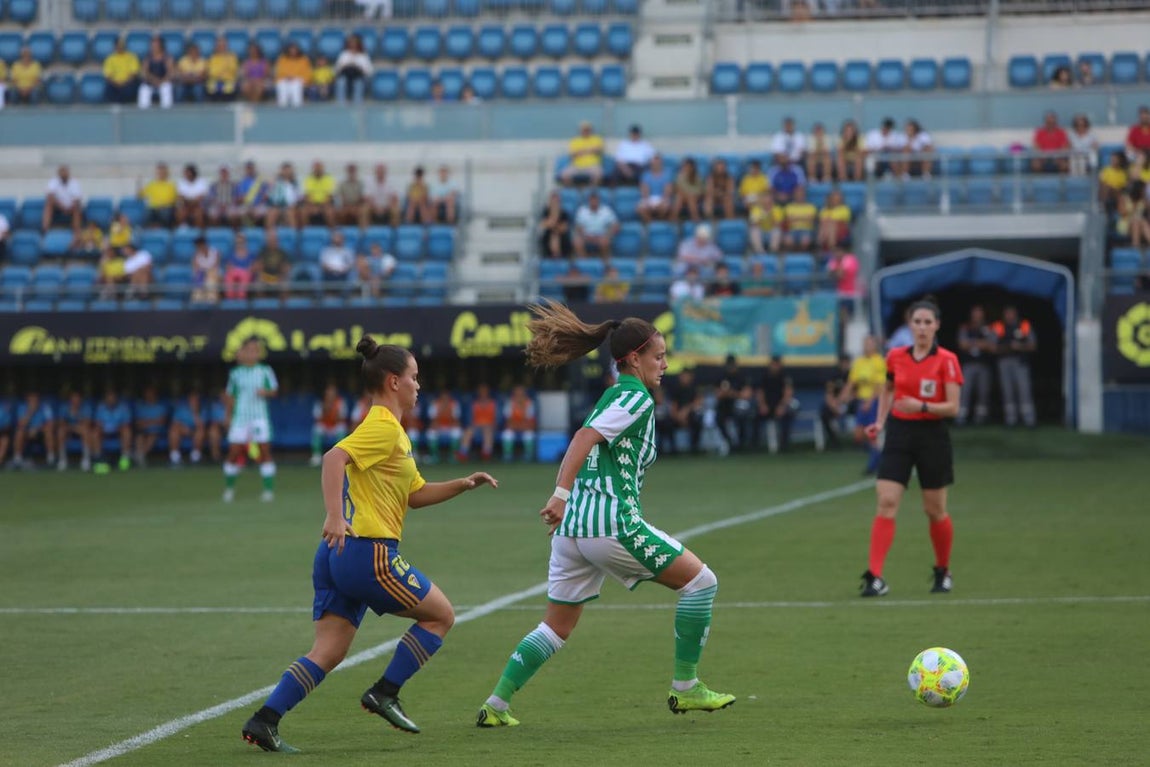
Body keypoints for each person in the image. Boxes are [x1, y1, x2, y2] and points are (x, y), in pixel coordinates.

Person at [475, 302, 734, 728]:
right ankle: (686, 687)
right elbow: (582, 438)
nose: (665, 365)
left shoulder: (611, 396)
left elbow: (589, 446)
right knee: (702, 584)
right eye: (658, 356)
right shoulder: (635, 397)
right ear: (633, 358)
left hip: (574, 529)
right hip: (610, 524)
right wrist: (559, 494)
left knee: (556, 627)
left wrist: (568, 502)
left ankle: (496, 705)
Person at [241, 337, 499, 752]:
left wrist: (463, 484)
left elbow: (415, 494)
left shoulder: (391, 431)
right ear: (394, 381)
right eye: (414, 377)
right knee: (441, 616)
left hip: (337, 555)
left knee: (328, 651)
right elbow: (333, 458)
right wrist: (333, 515)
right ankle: (385, 692)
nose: (419, 385)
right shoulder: (383, 427)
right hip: (368, 553)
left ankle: (264, 720)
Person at [860, 299, 963, 598]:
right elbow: (888, 389)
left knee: (934, 509)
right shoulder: (895, 356)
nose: (922, 327)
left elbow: (953, 407)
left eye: (927, 322)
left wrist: (922, 406)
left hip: (933, 435)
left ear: (937, 325)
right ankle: (874, 577)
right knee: (887, 500)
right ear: (910, 325)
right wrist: (880, 422)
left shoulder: (947, 360)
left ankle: (943, 570)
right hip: (900, 433)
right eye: (917, 322)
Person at [222, 337, 279, 503]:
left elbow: (274, 390)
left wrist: (265, 392)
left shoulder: (265, 370)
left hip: (260, 417)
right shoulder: (235, 373)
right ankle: (229, 489)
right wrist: (227, 416)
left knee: (264, 451)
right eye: (251, 350)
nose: (254, 353)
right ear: (244, 352)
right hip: (240, 418)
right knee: (233, 452)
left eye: (256, 350)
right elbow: (230, 396)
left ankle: (268, 490)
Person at [839, 335, 886, 475]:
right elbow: (851, 382)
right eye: (865, 343)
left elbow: (880, 386)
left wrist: (870, 402)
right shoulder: (859, 362)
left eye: (869, 344)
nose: (866, 346)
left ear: (875, 346)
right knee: (859, 434)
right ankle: (879, 454)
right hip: (861, 400)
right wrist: (843, 396)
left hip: (875, 401)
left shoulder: (879, 362)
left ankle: (873, 464)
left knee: (871, 434)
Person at [992, 306, 1037, 428]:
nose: (1009, 316)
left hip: (1020, 362)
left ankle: (1029, 420)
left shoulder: (1024, 325)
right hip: (1004, 361)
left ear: (1016, 314)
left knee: (1024, 390)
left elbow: (1033, 345)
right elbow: (992, 346)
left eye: (1011, 313)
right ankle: (1010, 419)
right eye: (1007, 313)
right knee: (1007, 391)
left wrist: (1019, 346)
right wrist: (1007, 347)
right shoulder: (999, 326)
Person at [955, 306, 996, 426]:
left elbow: (992, 346)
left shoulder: (989, 328)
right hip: (968, 365)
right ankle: (961, 417)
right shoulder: (965, 327)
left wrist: (973, 343)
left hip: (984, 365)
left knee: (983, 392)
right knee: (965, 391)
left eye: (979, 313)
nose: (977, 316)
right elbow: (962, 344)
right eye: (975, 313)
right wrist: (982, 343)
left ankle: (980, 418)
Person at [756, 356, 795, 453]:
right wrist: (762, 405)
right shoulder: (764, 376)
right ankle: (755, 445)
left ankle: (784, 445)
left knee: (787, 416)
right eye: (773, 364)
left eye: (777, 364)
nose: (775, 367)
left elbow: (788, 392)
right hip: (767, 405)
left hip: (780, 405)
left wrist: (782, 406)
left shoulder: (785, 377)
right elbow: (760, 392)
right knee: (754, 417)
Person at [11, 392, 56, 469]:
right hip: (26, 432)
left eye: (35, 399)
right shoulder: (22, 407)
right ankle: (17, 460)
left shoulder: (45, 407)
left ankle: (51, 460)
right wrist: (30, 412)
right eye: (31, 399)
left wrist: (37, 429)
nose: (33, 401)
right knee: (19, 432)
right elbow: (21, 424)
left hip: (40, 432)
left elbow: (50, 424)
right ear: (27, 400)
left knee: (48, 431)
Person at [92, 390, 133, 474]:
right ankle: (98, 458)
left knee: (126, 430)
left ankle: (125, 458)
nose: (111, 400)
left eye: (113, 398)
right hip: (104, 431)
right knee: (95, 432)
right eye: (109, 399)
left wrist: (115, 427)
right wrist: (104, 428)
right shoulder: (101, 407)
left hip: (118, 430)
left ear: (116, 399)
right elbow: (98, 423)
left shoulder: (123, 407)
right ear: (106, 399)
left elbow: (126, 423)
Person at [310, 384, 348, 467]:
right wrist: (325, 410)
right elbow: (317, 419)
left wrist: (334, 412)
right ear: (325, 394)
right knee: (317, 428)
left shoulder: (341, 402)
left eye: (332, 394)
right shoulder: (320, 403)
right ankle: (316, 456)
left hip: (335, 426)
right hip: (325, 426)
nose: (330, 396)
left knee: (342, 428)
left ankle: (339, 456)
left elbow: (343, 418)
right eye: (329, 394)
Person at [56, 390, 93, 472]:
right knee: (61, 431)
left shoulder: (86, 407)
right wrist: (71, 427)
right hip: (69, 429)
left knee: (86, 431)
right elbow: (61, 422)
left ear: (80, 399)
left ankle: (86, 460)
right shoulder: (64, 407)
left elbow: (87, 423)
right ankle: (62, 460)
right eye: (73, 398)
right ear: (70, 399)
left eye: (77, 398)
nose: (75, 400)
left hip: (80, 429)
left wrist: (77, 415)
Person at [559, 120, 604, 186]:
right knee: (564, 174)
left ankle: (592, 191)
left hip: (592, 165)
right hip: (577, 166)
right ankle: (571, 190)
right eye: (584, 130)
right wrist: (589, 150)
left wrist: (582, 151)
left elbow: (599, 150)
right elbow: (572, 155)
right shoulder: (575, 140)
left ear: (591, 130)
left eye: (587, 129)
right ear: (580, 130)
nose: (586, 131)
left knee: (598, 174)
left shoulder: (597, 139)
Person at [459, 383, 497, 462]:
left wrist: (492, 425)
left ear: (487, 392)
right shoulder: (474, 403)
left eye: (485, 391)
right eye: (481, 391)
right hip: (476, 426)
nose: (483, 393)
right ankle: (463, 453)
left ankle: (486, 453)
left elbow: (497, 419)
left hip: (489, 426)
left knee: (487, 430)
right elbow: (469, 419)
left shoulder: (493, 403)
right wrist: (475, 425)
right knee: (468, 431)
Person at [132, 385, 169, 466]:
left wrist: (147, 422)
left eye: (151, 393)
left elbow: (162, 421)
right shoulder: (141, 407)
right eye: (147, 394)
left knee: (152, 435)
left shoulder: (160, 407)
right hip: (143, 430)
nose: (149, 395)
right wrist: (153, 421)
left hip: (157, 431)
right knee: (139, 436)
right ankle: (140, 456)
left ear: (155, 394)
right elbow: (138, 422)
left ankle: (139, 455)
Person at [669, 368, 703, 454]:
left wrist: (686, 411)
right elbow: (673, 406)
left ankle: (694, 448)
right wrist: (678, 417)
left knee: (697, 420)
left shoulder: (694, 388)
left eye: (687, 376)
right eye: (683, 376)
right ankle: (673, 449)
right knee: (667, 423)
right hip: (678, 416)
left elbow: (697, 403)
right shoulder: (675, 388)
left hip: (690, 415)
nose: (684, 378)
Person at [169, 390, 206, 466]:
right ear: (188, 400)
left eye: (196, 400)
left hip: (197, 431)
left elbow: (202, 425)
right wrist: (185, 428)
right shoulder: (181, 409)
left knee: (200, 431)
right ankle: (175, 457)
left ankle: (195, 457)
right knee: (174, 430)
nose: (194, 401)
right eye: (192, 399)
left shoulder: (203, 410)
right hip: (183, 430)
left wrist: (195, 412)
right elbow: (175, 423)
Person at [425, 390, 463, 464]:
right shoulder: (435, 404)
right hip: (439, 427)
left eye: (446, 398)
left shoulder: (454, 404)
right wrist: (438, 427)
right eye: (443, 398)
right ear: (440, 398)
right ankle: (434, 456)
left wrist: (450, 424)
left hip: (450, 427)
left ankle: (453, 455)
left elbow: (456, 421)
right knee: (431, 433)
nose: (445, 400)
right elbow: (433, 421)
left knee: (456, 431)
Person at [137, 36, 174, 109]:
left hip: (164, 81)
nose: (154, 47)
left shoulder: (167, 57)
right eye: (153, 45)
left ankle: (166, 110)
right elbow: (144, 72)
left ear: (161, 46)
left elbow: (170, 72)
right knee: (144, 88)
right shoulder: (147, 58)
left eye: (156, 45)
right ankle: (143, 110)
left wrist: (162, 81)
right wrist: (153, 80)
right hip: (150, 82)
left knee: (166, 88)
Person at [334, 34, 372, 104]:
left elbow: (369, 71)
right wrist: (345, 66)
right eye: (351, 42)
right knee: (341, 82)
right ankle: (341, 103)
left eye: (355, 42)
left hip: (358, 76)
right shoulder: (344, 54)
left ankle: (357, 102)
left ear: (359, 44)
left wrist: (359, 67)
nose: (353, 44)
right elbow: (336, 69)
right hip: (346, 76)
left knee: (358, 83)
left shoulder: (363, 56)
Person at [501, 385, 536, 462]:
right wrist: (518, 425)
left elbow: (531, 423)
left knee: (529, 434)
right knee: (507, 434)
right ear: (514, 395)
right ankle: (508, 456)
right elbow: (507, 422)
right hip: (513, 427)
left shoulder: (529, 403)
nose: (519, 396)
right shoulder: (509, 403)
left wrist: (520, 425)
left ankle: (528, 456)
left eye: (521, 394)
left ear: (525, 395)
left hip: (525, 428)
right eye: (517, 394)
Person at [637, 153, 673, 223]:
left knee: (665, 207)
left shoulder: (667, 174)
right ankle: (652, 224)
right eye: (654, 162)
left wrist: (663, 201)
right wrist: (647, 201)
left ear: (661, 163)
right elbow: (644, 190)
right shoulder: (646, 175)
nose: (656, 164)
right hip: (650, 198)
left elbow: (668, 191)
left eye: (657, 162)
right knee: (640, 208)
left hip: (662, 198)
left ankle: (659, 222)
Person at [224, 231, 257, 300]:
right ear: (235, 243)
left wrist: (249, 269)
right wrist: (232, 269)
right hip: (234, 277)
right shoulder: (230, 255)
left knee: (245, 275)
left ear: (245, 242)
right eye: (238, 242)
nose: (240, 244)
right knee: (229, 275)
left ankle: (241, 297)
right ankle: (230, 297)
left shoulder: (251, 255)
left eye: (241, 242)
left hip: (247, 276)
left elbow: (253, 268)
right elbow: (228, 268)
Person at [538, 191, 572, 258]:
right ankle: (552, 255)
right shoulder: (546, 212)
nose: (554, 203)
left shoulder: (563, 213)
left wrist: (553, 224)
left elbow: (564, 228)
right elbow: (543, 224)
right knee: (551, 236)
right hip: (548, 235)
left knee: (556, 235)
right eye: (553, 201)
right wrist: (554, 221)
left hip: (561, 236)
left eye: (556, 201)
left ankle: (559, 255)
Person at [207, 35, 239, 101]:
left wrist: (221, 71)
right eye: (219, 45)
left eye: (223, 45)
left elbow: (233, 70)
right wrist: (223, 70)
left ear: (226, 46)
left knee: (229, 88)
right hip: (215, 80)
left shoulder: (232, 56)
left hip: (229, 80)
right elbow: (212, 72)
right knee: (212, 87)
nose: (221, 47)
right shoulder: (212, 57)